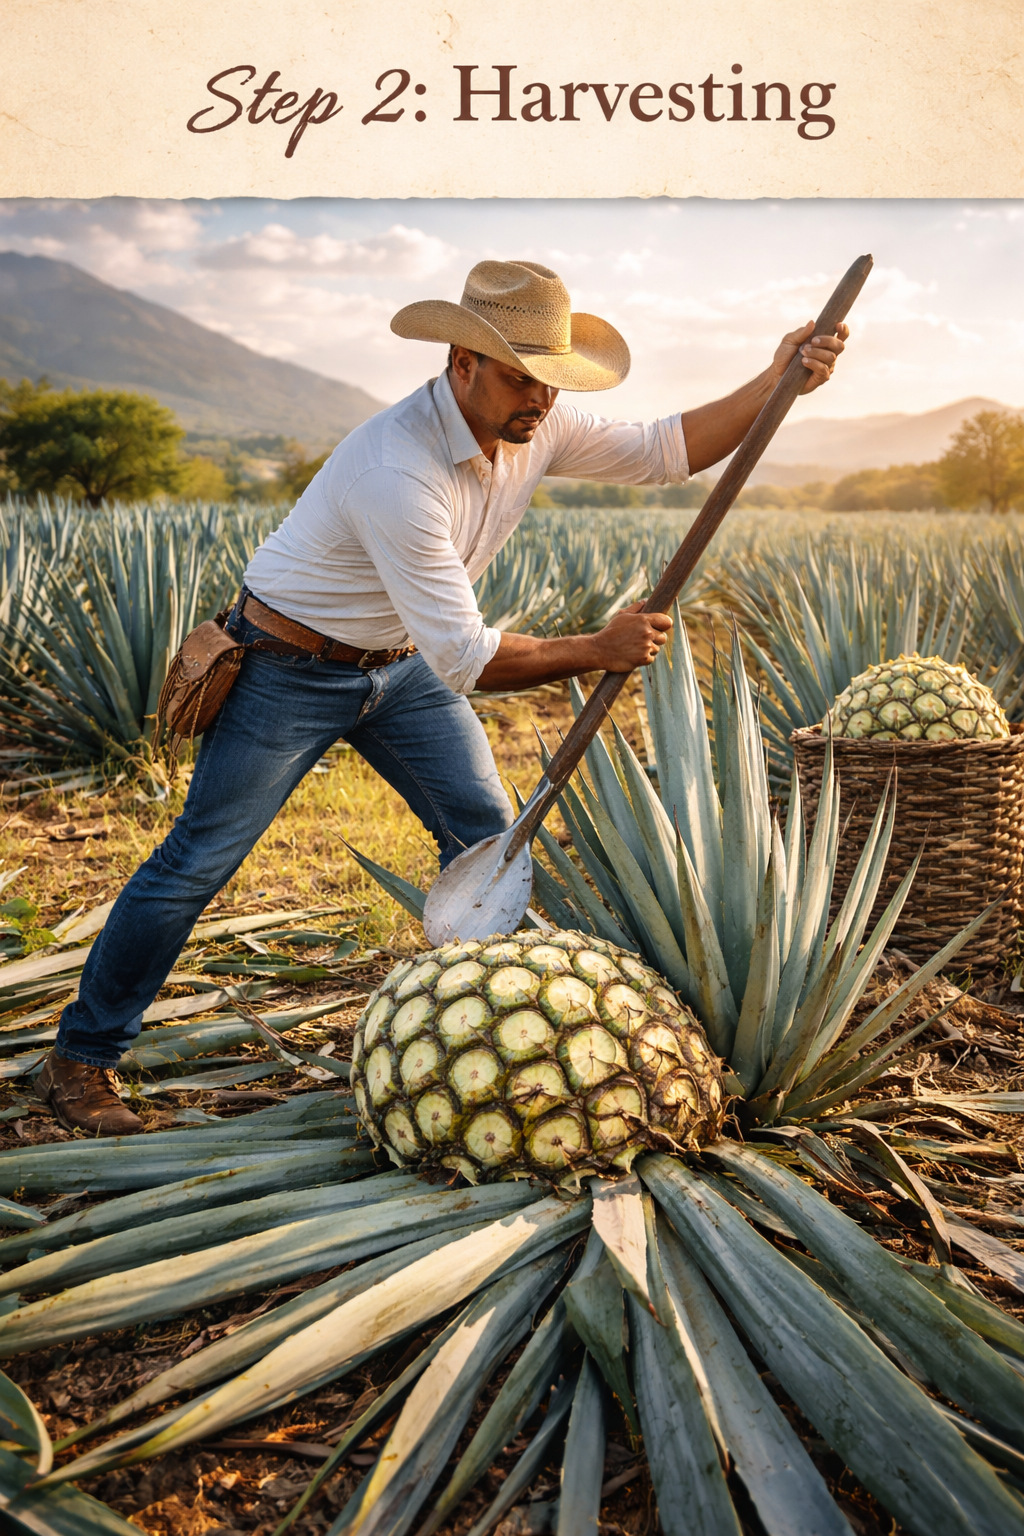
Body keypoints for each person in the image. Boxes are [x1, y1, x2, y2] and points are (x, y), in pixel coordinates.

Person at [36, 258, 847, 1134]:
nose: (537, 397)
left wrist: (775, 380)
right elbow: (465, 656)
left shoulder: (535, 424)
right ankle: (80, 1062)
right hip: (288, 667)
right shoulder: (398, 467)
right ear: (461, 362)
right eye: (517, 375)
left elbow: (665, 451)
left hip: (402, 667)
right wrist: (596, 648)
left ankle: (500, 1046)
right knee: (197, 861)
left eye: (549, 379)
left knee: (491, 845)